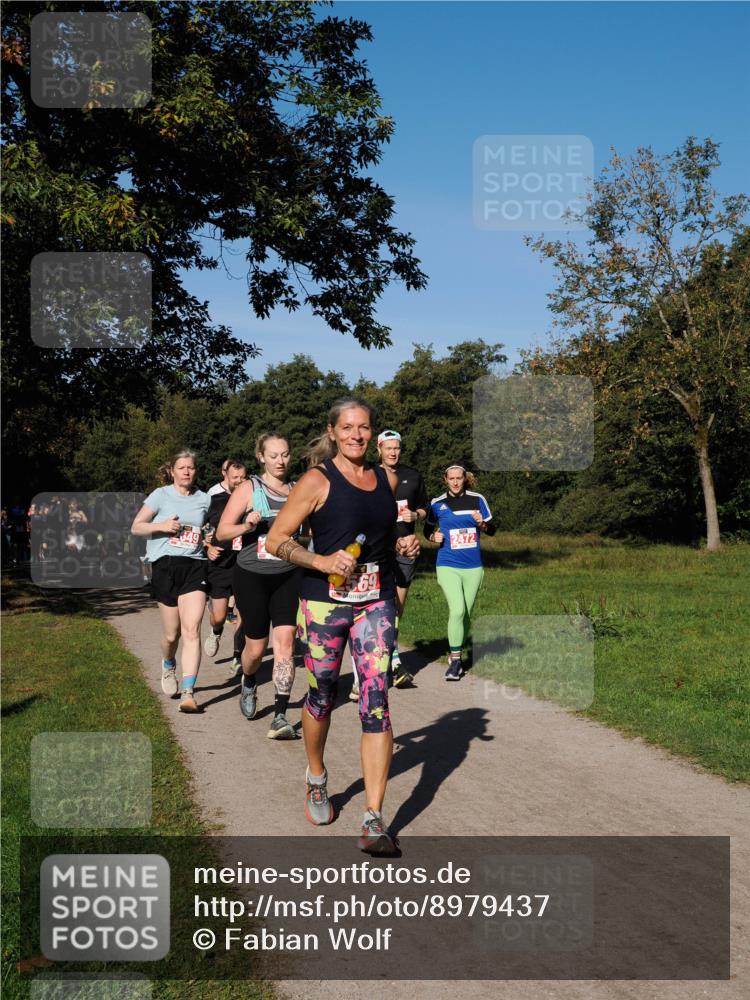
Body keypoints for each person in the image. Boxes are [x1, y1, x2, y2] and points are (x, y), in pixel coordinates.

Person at [266, 399, 420, 855]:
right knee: (321, 695)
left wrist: (403, 543)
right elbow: (276, 539)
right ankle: (316, 775)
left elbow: (383, 535)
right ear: (332, 431)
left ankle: (373, 818)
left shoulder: (385, 479)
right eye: (348, 427)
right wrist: (319, 560)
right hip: (324, 603)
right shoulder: (317, 480)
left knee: (376, 702)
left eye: (364, 427)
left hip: (376, 600)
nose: (357, 435)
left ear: (373, 432)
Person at [217, 434, 302, 740]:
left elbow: (312, 532)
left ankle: (280, 715)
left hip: (287, 574)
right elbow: (222, 532)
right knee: (255, 649)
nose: (280, 461)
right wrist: (247, 526)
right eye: (274, 455)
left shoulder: (298, 490)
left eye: (285, 454)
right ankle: (250, 679)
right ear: (261, 457)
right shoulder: (248, 489)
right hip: (251, 575)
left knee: (286, 643)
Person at [131, 450, 210, 712]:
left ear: (195, 471)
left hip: (195, 566)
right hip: (165, 566)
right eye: (181, 467)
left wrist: (209, 538)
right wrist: (162, 526)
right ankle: (168, 663)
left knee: (192, 630)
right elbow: (136, 526)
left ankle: (188, 693)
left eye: (191, 467)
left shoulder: (204, 499)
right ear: (172, 471)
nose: (186, 471)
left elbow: (208, 529)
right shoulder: (160, 495)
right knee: (171, 634)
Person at [423, 464, 495, 680]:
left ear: (465, 479)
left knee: (466, 614)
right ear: (445, 479)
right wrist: (432, 537)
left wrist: (482, 524)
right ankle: (455, 661)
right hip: (448, 565)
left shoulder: (477, 499)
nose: (455, 482)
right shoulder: (437, 503)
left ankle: (457, 651)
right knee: (457, 611)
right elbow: (427, 530)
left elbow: (492, 529)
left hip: (473, 567)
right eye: (451, 478)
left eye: (459, 478)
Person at [203, 460, 247, 669]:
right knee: (219, 616)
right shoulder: (213, 500)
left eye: (242, 477)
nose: (239, 481)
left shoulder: (253, 500)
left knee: (245, 614)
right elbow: (198, 527)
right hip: (220, 564)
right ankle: (216, 631)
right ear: (225, 476)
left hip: (245, 563)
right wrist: (207, 546)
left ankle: (238, 656)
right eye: (234, 477)